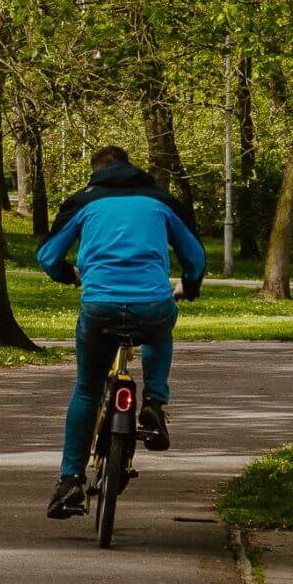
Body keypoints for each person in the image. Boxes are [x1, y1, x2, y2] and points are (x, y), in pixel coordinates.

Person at [37, 145, 205, 519]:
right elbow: (196, 257)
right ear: (131, 166)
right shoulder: (160, 200)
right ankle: (154, 403)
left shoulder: (84, 201)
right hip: (152, 306)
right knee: (161, 328)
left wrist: (68, 276)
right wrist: (189, 287)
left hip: (100, 307)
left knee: (86, 390)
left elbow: (47, 257)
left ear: (95, 171)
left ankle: (70, 482)